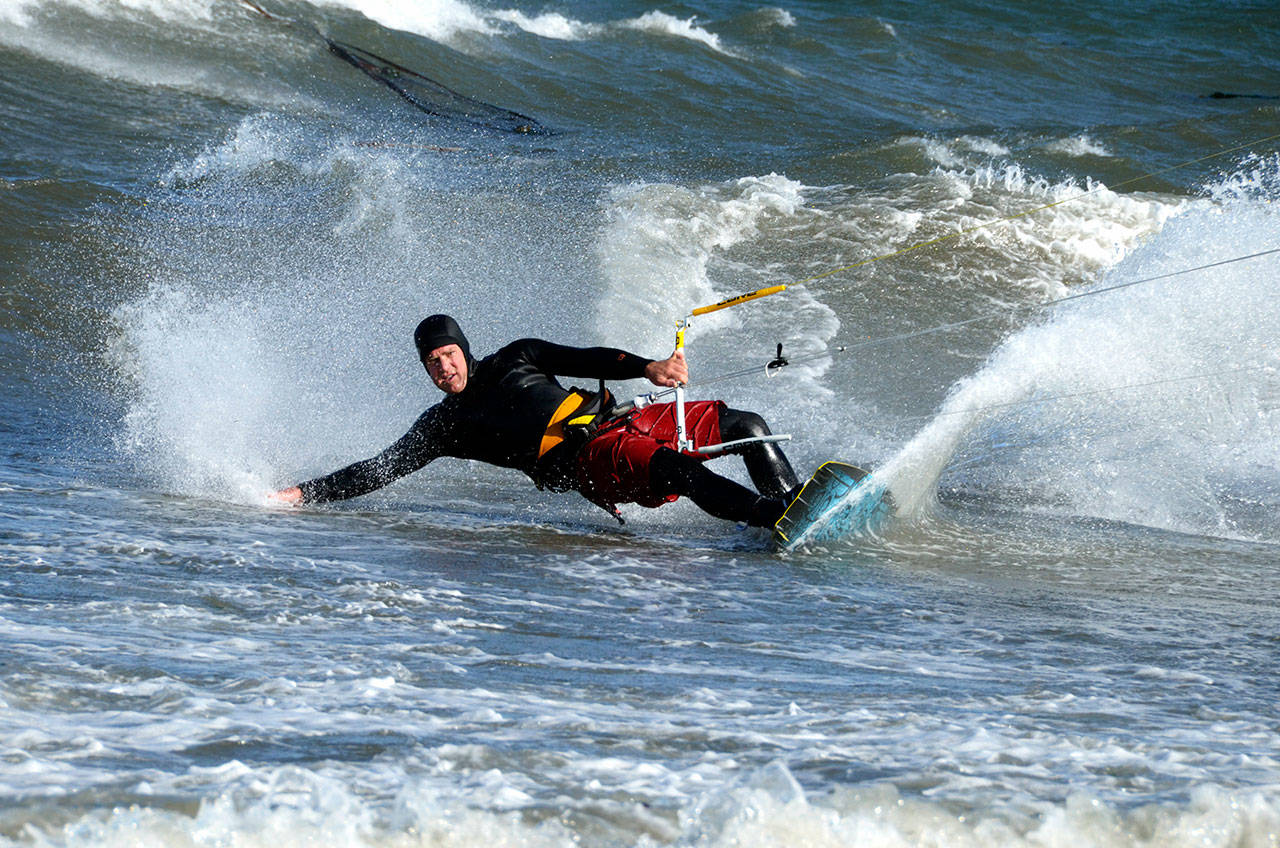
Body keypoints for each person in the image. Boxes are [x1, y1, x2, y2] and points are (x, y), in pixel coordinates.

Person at [270, 314, 801, 528]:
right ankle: (773, 518)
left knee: (748, 426)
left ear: (463, 349)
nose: (442, 368)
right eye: (431, 363)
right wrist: (302, 494)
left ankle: (799, 505)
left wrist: (649, 368)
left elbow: (588, 358)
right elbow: (379, 470)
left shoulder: (517, 357)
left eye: (448, 355)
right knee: (676, 469)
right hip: (588, 461)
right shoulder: (445, 425)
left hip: (622, 419)